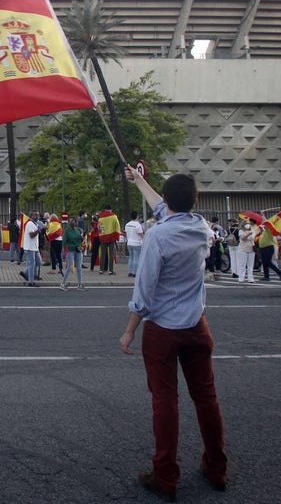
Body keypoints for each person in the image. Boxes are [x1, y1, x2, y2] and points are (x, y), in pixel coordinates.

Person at [118, 168, 227, 501]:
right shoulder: (202, 229)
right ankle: (216, 467)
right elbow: (165, 209)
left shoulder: (158, 237)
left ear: (166, 200)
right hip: (196, 325)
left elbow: (145, 290)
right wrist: (139, 181)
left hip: (163, 329)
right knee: (206, 398)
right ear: (195, 200)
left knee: (165, 402)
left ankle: (165, 476)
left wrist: (129, 331)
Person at [59, 215, 86, 291]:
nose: (73, 223)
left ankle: (80, 284)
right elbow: (64, 242)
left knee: (79, 267)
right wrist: (63, 251)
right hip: (71, 250)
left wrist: (82, 239)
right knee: (69, 267)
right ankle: (63, 283)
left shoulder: (79, 230)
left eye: (74, 221)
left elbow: (81, 240)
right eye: (71, 221)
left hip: (78, 249)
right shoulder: (67, 231)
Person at [96, 205, 122, 275]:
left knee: (103, 254)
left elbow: (99, 227)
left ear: (105, 209)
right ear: (111, 209)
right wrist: (117, 235)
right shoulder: (114, 216)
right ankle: (110, 270)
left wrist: (101, 235)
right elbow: (117, 226)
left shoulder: (101, 217)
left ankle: (101, 270)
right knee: (111, 255)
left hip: (103, 237)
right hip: (111, 237)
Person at [18, 213, 41, 287]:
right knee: (32, 264)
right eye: (35, 215)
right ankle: (31, 281)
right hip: (30, 247)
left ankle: (25, 272)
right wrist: (38, 231)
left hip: (34, 247)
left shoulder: (35, 224)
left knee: (38, 262)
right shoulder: (30, 224)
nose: (36, 217)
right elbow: (31, 235)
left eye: (37, 215)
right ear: (31, 216)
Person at [125, 211, 145, 278]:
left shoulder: (127, 224)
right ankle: (135, 272)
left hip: (129, 243)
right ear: (137, 216)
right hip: (137, 243)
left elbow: (126, 233)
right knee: (136, 258)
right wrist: (144, 238)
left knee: (131, 257)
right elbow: (140, 234)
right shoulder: (137, 225)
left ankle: (130, 272)